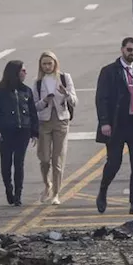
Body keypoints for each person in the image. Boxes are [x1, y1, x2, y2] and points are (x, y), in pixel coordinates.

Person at [95, 38, 133, 215]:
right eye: (130, 50)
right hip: (117, 124)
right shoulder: (109, 72)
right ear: (122, 50)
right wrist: (104, 122)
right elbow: (102, 99)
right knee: (114, 162)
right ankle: (103, 190)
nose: (132, 53)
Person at [0, 60, 37, 206]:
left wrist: (35, 131)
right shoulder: (0, 91)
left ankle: (18, 194)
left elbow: (32, 112)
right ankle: (8, 189)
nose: (25, 73)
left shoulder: (26, 90)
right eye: (23, 70)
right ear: (15, 72)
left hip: (23, 131)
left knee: (19, 162)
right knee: (6, 162)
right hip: (6, 131)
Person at [32, 51, 76, 205]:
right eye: (44, 64)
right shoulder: (38, 83)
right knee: (44, 158)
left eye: (50, 63)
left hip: (61, 121)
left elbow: (74, 101)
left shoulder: (64, 78)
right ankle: (47, 184)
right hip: (44, 122)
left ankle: (56, 193)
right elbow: (35, 106)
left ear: (55, 63)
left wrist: (66, 94)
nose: (47, 66)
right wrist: (45, 100)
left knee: (57, 159)